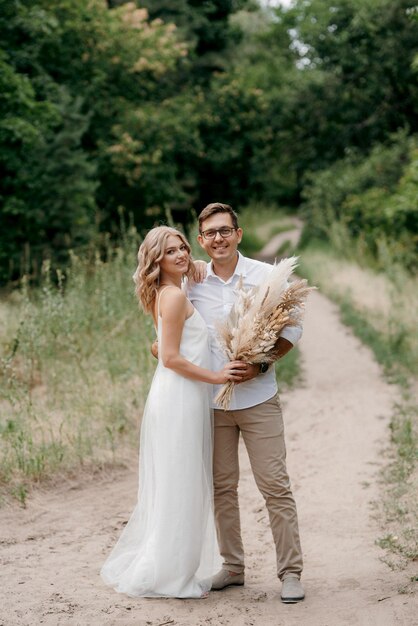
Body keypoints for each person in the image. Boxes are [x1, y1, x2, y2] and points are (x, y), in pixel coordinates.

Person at [100, 226, 245, 599]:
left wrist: (193, 263)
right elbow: (169, 357)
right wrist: (216, 375)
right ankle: (169, 574)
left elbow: (167, 346)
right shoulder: (175, 297)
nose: (181, 254)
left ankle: (173, 565)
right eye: (170, 252)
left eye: (183, 247)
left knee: (179, 482)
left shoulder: (170, 290)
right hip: (179, 396)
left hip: (180, 395)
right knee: (179, 484)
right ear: (156, 261)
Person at [188, 203, 305, 604]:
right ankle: (233, 567)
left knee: (275, 486)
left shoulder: (265, 276)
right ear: (200, 241)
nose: (217, 238)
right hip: (211, 404)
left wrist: (260, 364)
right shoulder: (192, 282)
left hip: (259, 400)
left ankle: (290, 572)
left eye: (225, 230)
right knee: (222, 488)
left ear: (238, 233)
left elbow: (293, 329)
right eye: (210, 233)